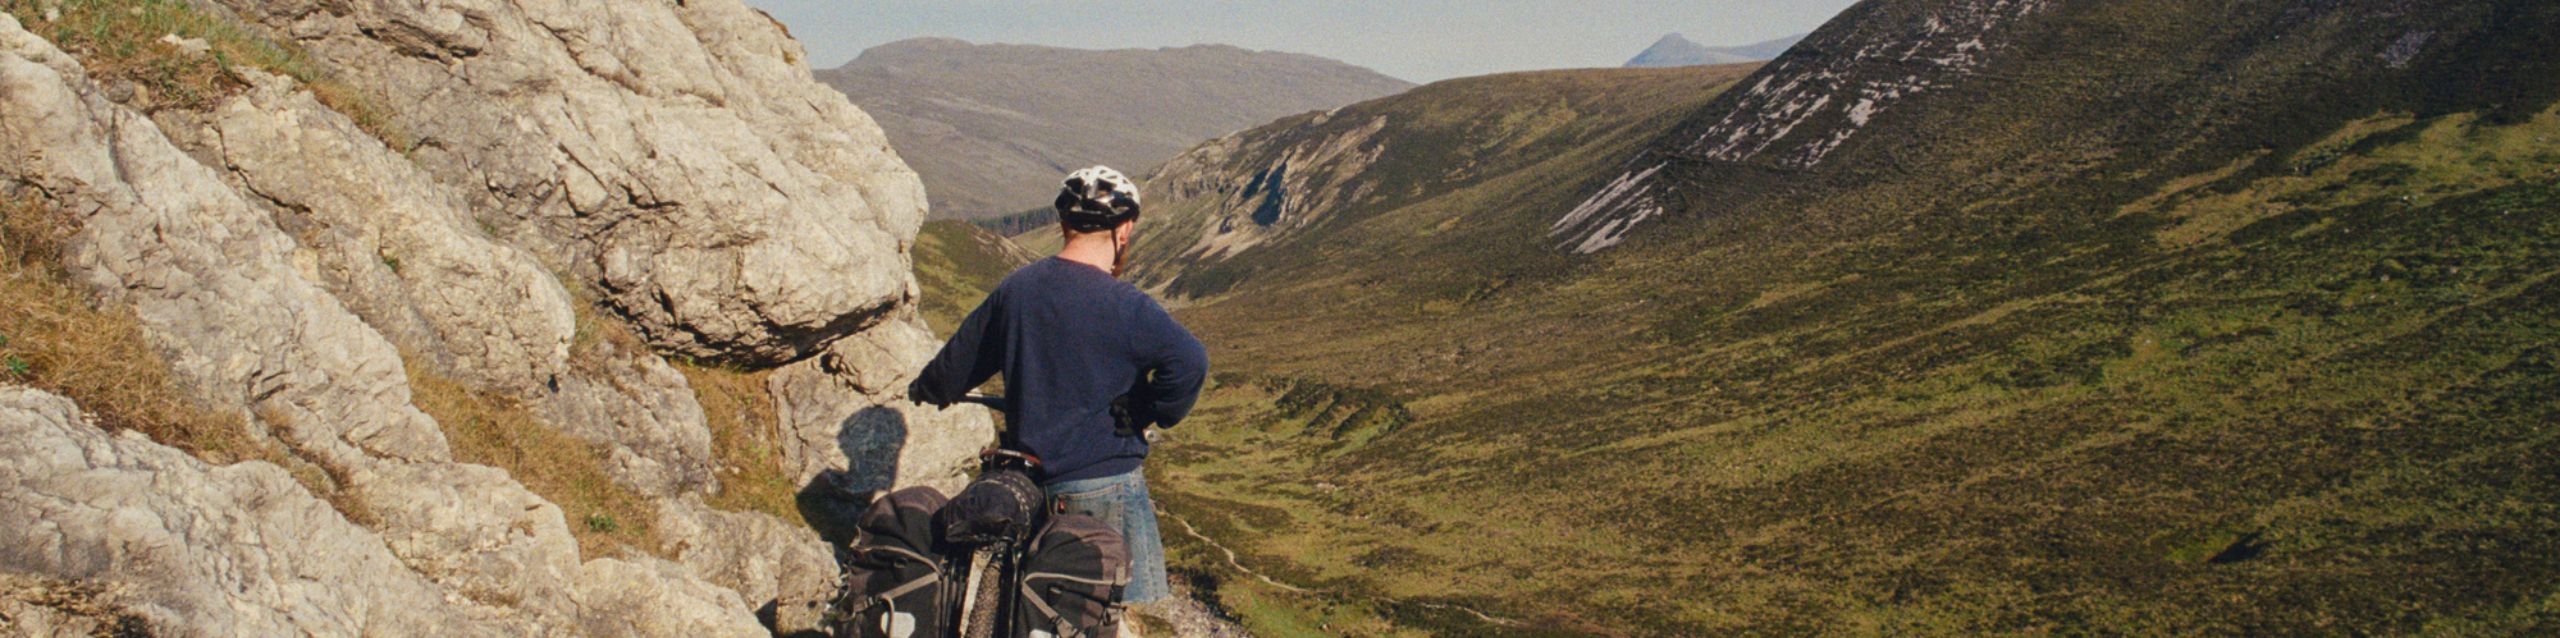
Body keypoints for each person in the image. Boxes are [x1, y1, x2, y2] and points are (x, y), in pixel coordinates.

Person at [906, 165, 1207, 609]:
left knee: (1035, 612)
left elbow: (953, 369)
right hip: (1104, 486)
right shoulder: (1126, 304)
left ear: (1064, 224)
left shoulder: (1018, 289)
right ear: (1124, 230)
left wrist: (924, 389)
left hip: (1024, 488)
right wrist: (1150, 409)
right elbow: (1190, 361)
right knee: (1107, 613)